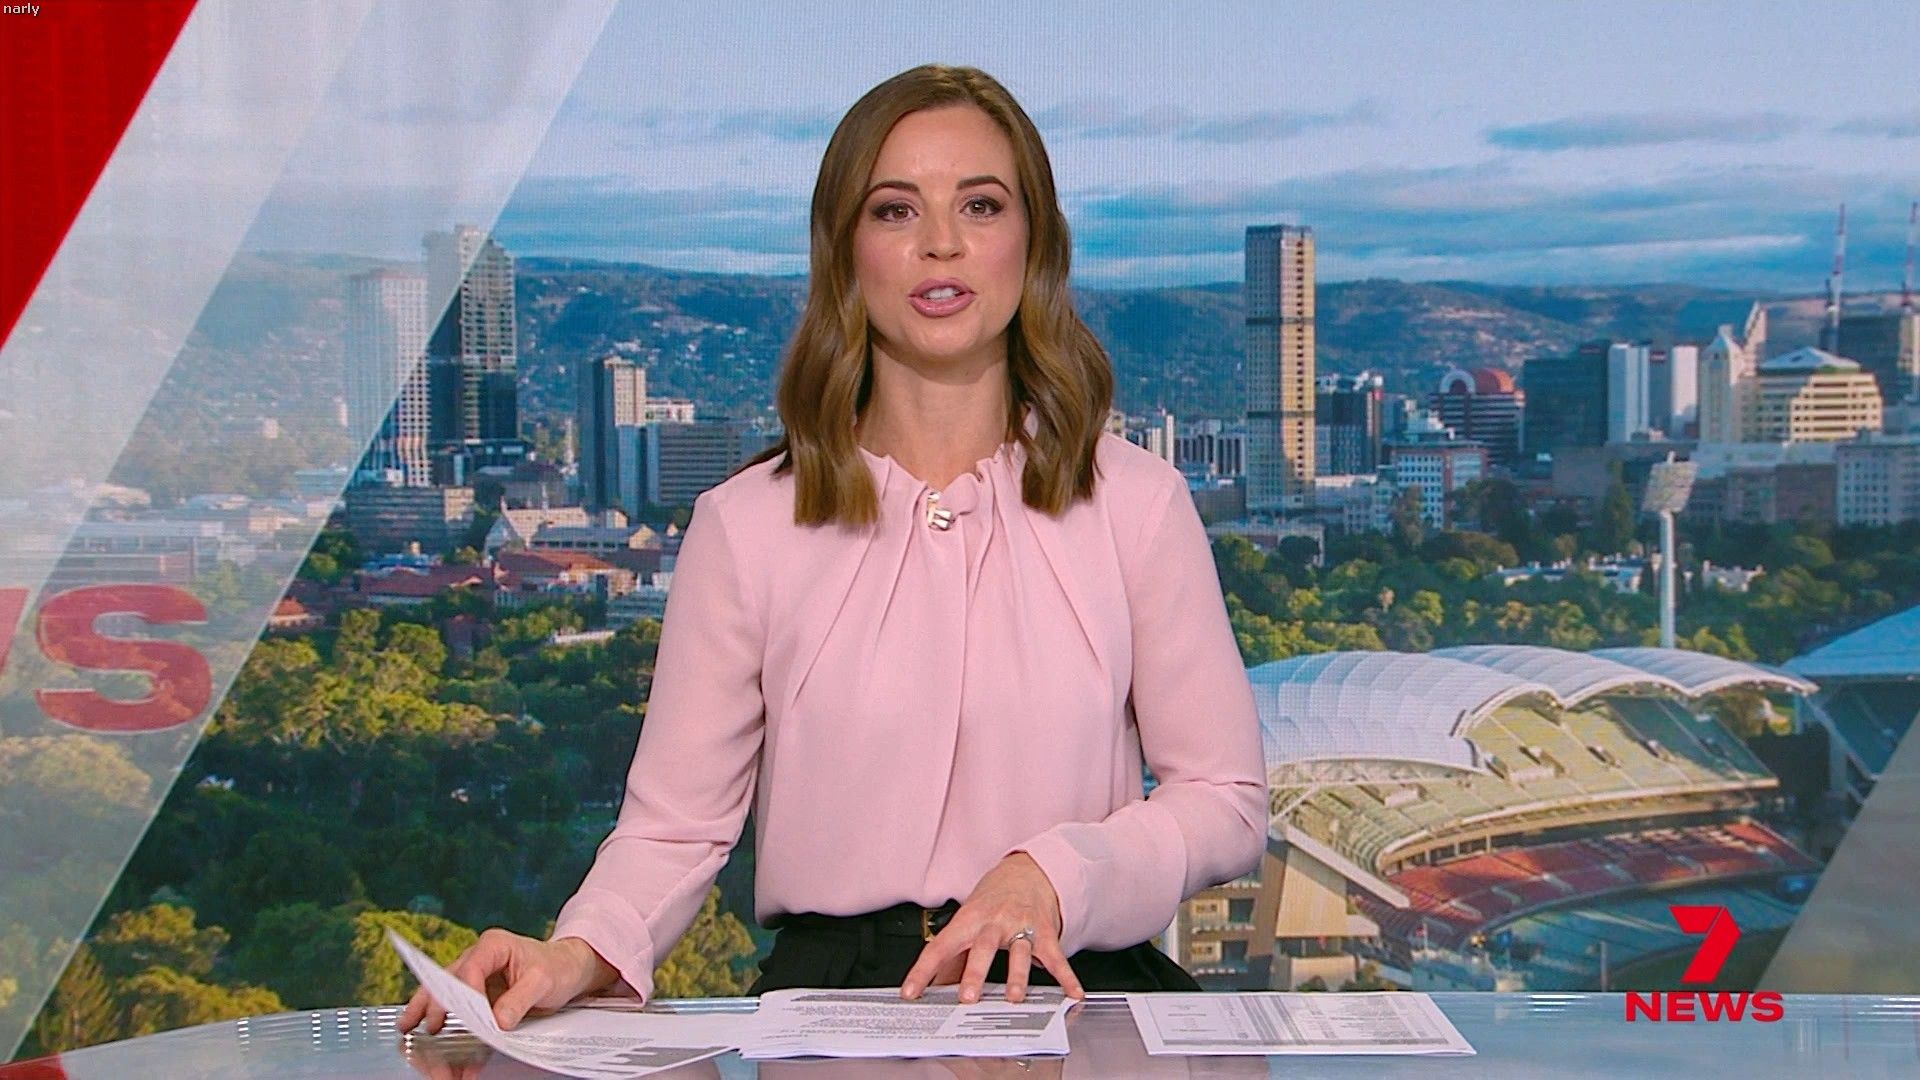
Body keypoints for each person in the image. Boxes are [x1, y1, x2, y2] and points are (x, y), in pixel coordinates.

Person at [401, 62, 1266, 1035]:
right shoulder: (745, 526)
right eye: (895, 211)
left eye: (980, 205)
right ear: (845, 250)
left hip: (1078, 989)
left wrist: (1057, 876)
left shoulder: (1139, 505)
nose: (942, 243)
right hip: (833, 1006)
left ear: (1034, 243)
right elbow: (674, 828)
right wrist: (575, 951)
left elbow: (1225, 800)